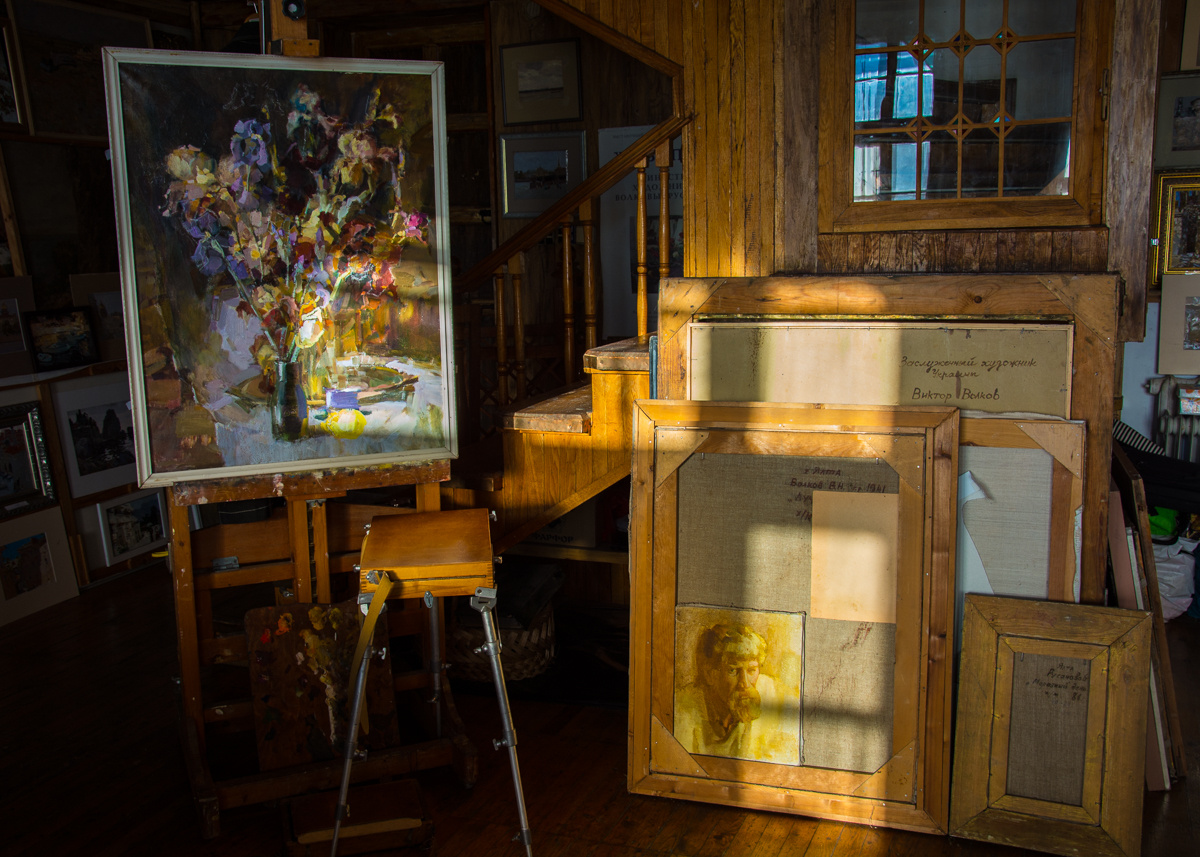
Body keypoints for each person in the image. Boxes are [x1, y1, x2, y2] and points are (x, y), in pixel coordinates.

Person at [674, 622, 797, 763]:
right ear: (709, 674)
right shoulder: (681, 708)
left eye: (751, 670)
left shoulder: (774, 694)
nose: (744, 683)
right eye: (733, 670)